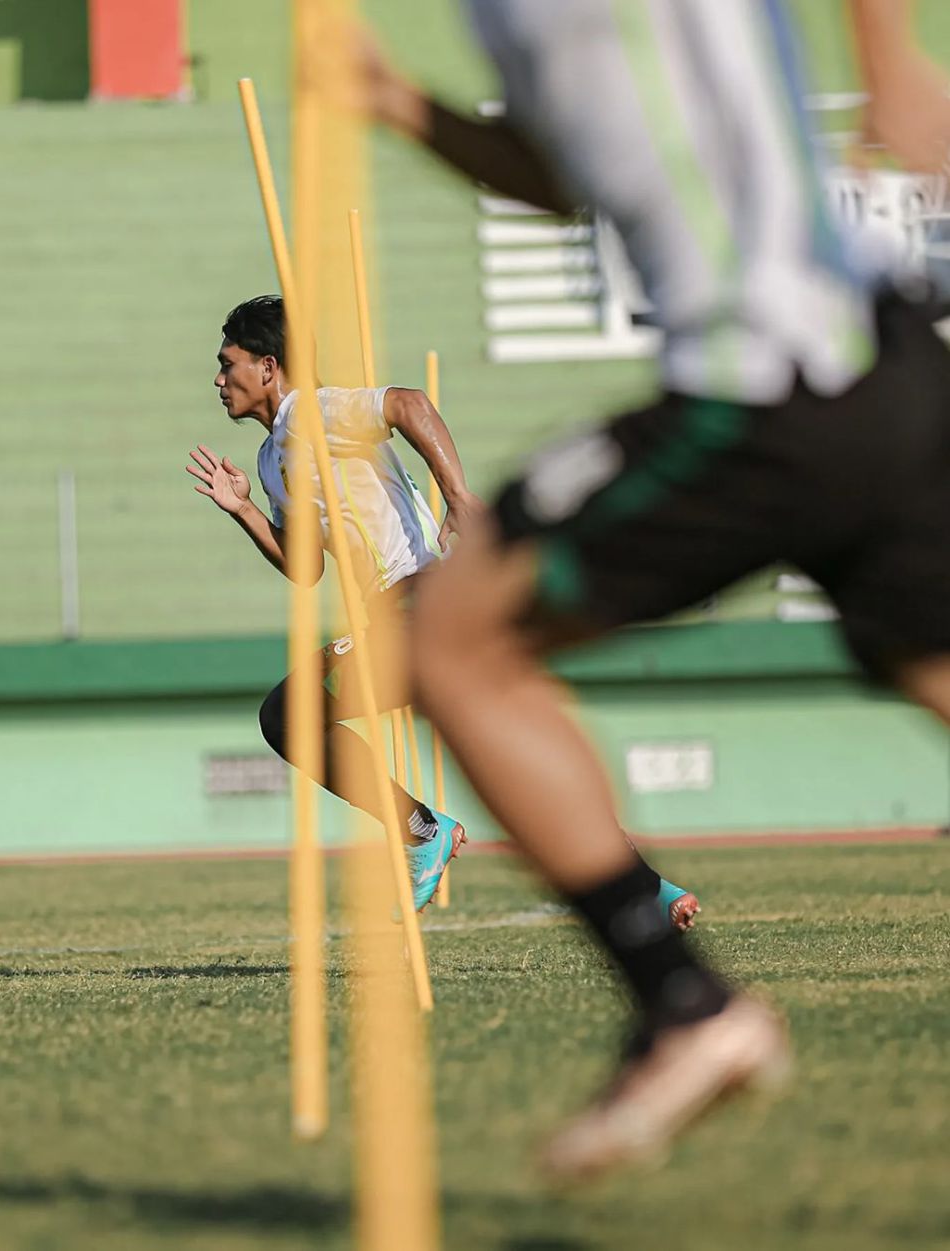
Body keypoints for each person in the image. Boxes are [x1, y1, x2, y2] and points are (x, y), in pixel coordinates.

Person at [349, 0, 950, 1176]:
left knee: (453, 639)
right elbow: (564, 178)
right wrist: (395, 106)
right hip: (875, 365)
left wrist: (891, 62)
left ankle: (683, 1005)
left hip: (767, 382)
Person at [187, 295, 702, 919]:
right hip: (425, 616)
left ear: (268, 366)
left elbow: (410, 404)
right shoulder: (274, 456)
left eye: (227, 364)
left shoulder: (316, 413)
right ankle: (646, 886)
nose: (218, 380)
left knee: (289, 714)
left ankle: (424, 834)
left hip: (421, 604)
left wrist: (458, 497)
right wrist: (243, 509)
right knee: (513, 755)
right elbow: (306, 566)